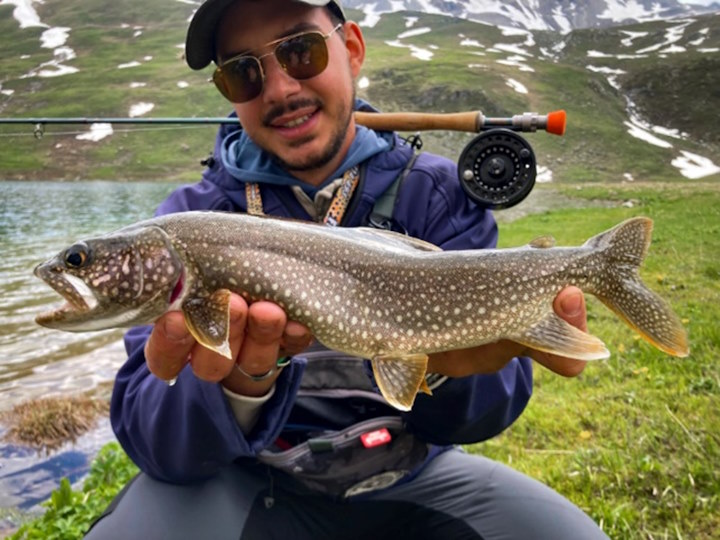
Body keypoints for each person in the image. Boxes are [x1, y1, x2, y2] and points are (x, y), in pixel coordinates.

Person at [85, 1, 610, 538]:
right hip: (253, 482)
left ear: (352, 48)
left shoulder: (439, 195)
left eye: (300, 51)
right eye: (243, 72)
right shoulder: (185, 223)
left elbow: (483, 417)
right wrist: (239, 385)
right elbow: (157, 443)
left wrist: (445, 369)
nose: (280, 89)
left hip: (411, 474)